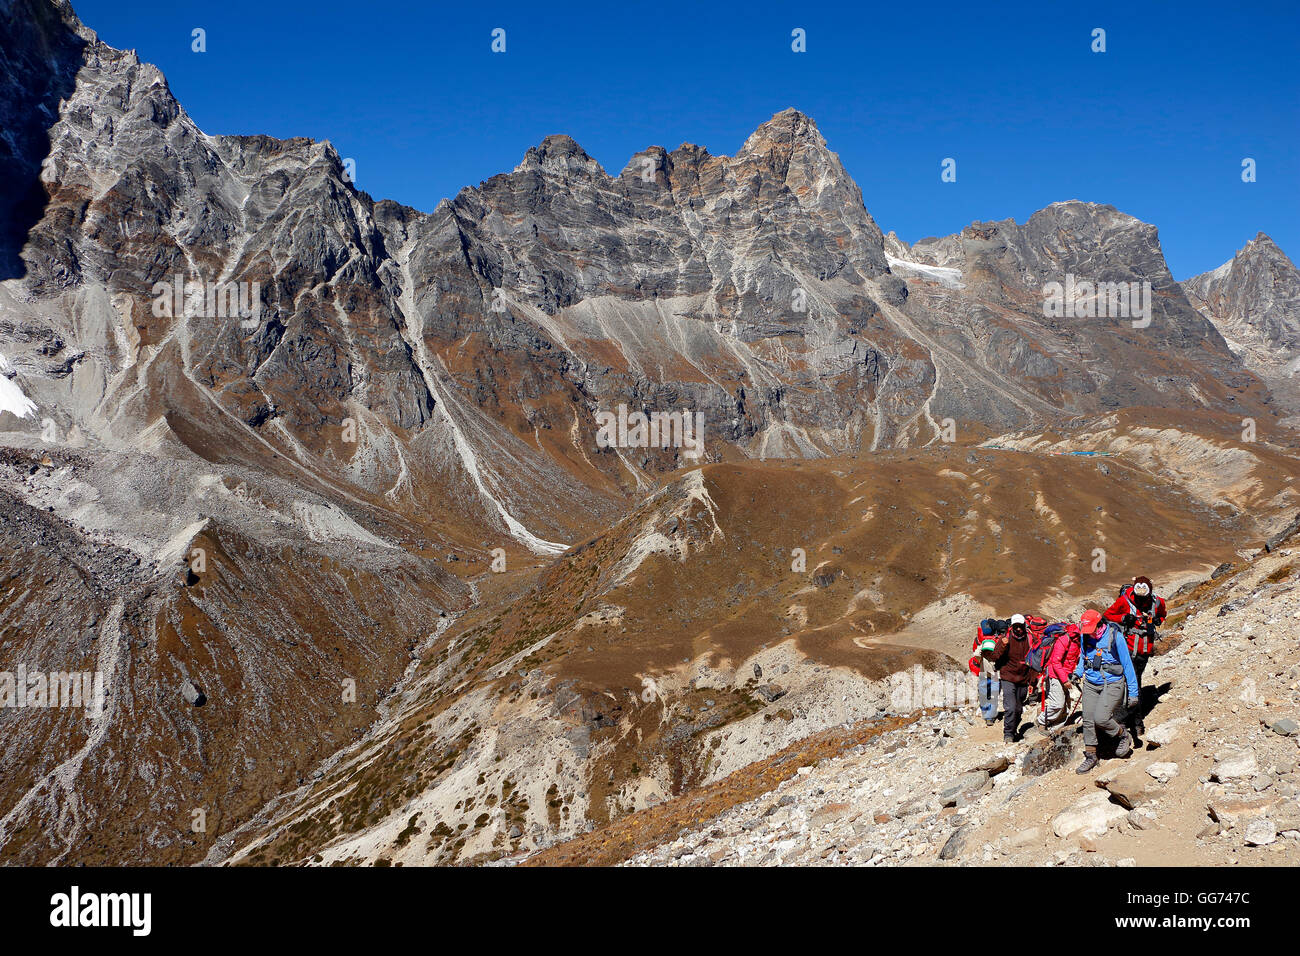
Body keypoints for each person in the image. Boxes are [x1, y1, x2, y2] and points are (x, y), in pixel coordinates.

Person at [1073, 609, 1140, 773]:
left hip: (1112, 682)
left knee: (1101, 718)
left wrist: (1133, 692)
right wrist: (1077, 672)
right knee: (1088, 719)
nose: (1090, 634)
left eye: (1092, 629)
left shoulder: (1115, 637)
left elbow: (1127, 665)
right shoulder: (1085, 636)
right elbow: (1083, 657)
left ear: (1099, 624)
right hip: (1090, 682)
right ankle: (1091, 756)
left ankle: (1123, 734)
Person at [1102, 575, 1166, 741]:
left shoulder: (1158, 602)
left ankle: (1128, 718)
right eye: (1138, 598)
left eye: (1143, 598)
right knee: (1134, 683)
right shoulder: (1124, 601)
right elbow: (1108, 615)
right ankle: (1135, 722)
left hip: (1145, 650)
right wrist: (1123, 618)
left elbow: (1163, 614)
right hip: (1128, 649)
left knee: (1135, 681)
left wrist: (1158, 619)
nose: (1140, 601)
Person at [984, 613, 1033, 743]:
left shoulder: (1029, 638)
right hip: (1008, 677)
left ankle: (1014, 729)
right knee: (1010, 707)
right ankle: (1008, 734)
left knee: (1018, 708)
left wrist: (1033, 680)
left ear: (1024, 625)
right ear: (1012, 626)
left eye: (1020, 626)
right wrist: (1002, 645)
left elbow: (1034, 659)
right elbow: (994, 657)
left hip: (1023, 678)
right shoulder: (1005, 638)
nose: (1018, 629)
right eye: (1015, 626)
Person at [1034, 622, 1081, 733]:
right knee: (1058, 704)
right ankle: (1041, 721)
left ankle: (1056, 728)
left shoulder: (1078, 640)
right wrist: (1065, 680)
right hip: (1055, 675)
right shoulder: (1065, 639)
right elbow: (1055, 662)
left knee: (1065, 705)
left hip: (1066, 675)